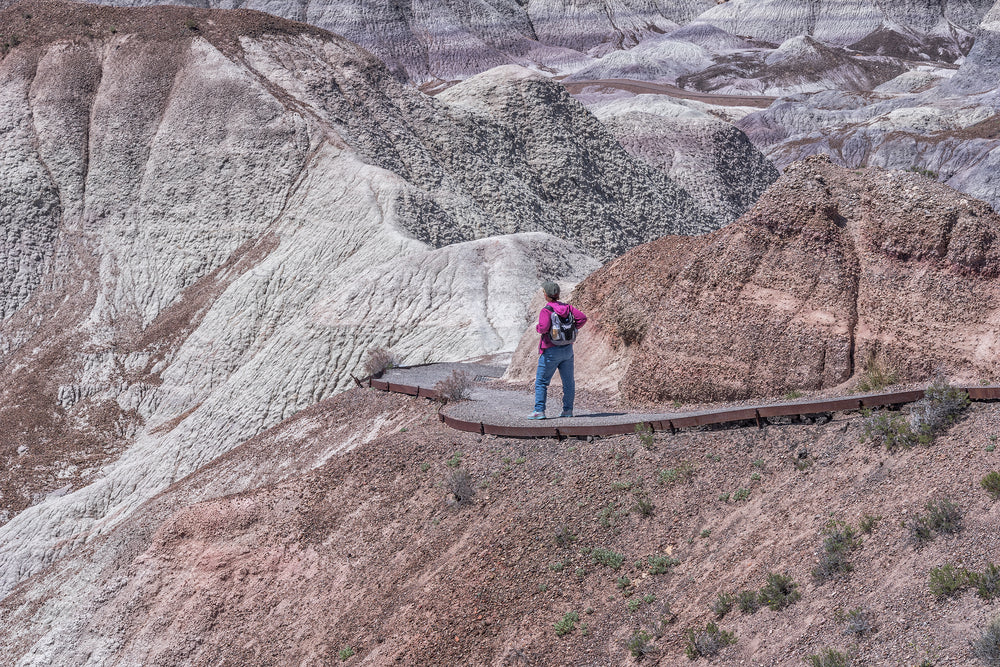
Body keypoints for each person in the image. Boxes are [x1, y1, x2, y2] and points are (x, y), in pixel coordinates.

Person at [529, 281, 587, 419]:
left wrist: (538, 328)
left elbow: (543, 328)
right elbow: (582, 318)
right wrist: (573, 329)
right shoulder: (567, 308)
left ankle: (539, 411)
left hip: (550, 350)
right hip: (567, 349)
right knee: (568, 382)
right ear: (558, 294)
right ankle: (568, 410)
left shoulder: (546, 310)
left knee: (542, 382)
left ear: (546, 295)